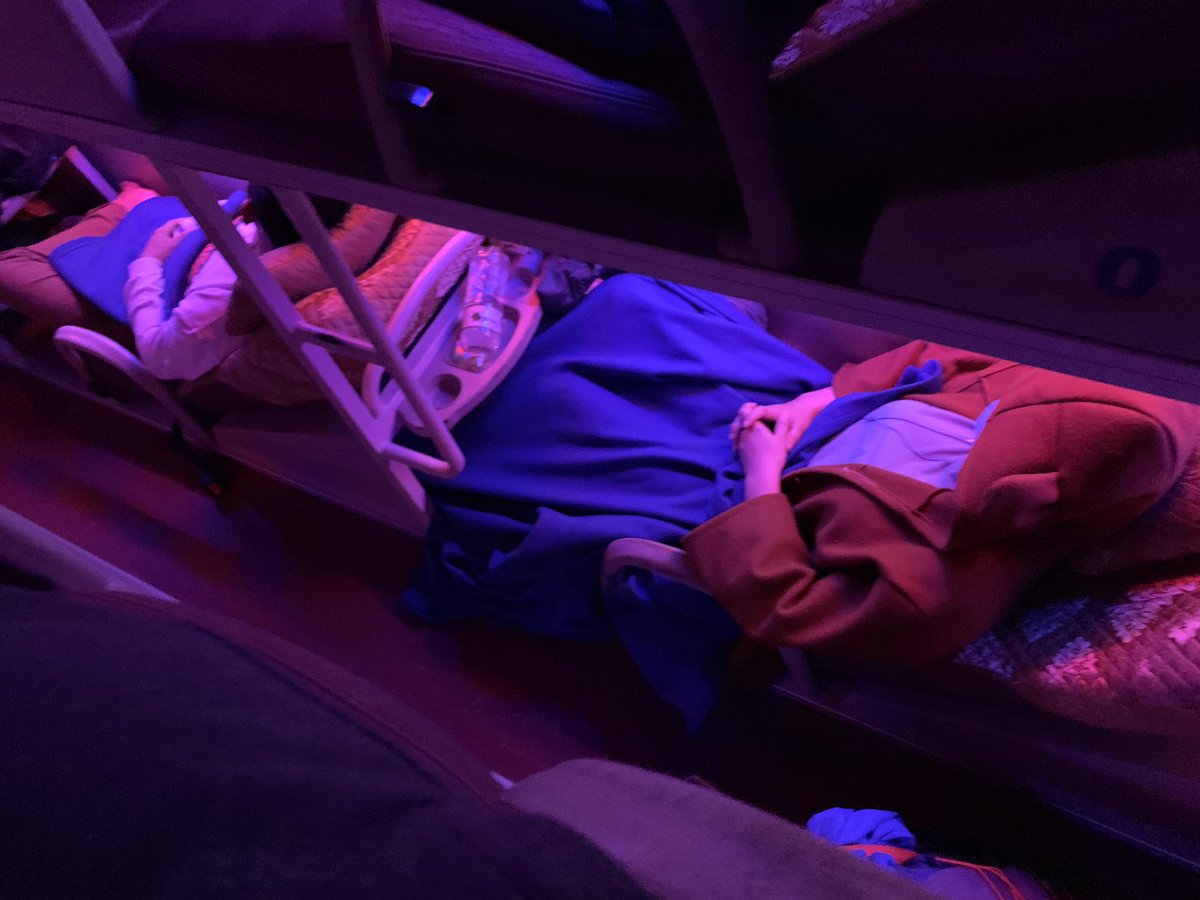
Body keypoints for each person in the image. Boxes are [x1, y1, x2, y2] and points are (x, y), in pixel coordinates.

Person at [684, 339, 1200, 664]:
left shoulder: (931, 594)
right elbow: (940, 353)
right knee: (655, 305)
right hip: (808, 414)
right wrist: (817, 401)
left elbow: (786, 606)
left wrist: (762, 471)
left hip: (745, 503)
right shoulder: (1066, 384)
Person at [0, 182, 347, 380]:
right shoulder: (324, 226)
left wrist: (150, 259)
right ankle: (102, 216)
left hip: (155, 295)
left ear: (251, 210)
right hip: (191, 250)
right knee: (81, 230)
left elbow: (162, 358)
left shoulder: (228, 291)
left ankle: (116, 208)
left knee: (10, 266)